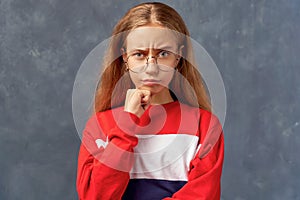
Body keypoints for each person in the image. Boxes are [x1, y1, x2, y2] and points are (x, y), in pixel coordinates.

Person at [76, 2, 224, 200]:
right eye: (139, 54)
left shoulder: (204, 126)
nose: (151, 68)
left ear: (178, 57)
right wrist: (127, 126)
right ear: (125, 58)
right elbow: (96, 196)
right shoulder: (100, 126)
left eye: (163, 54)